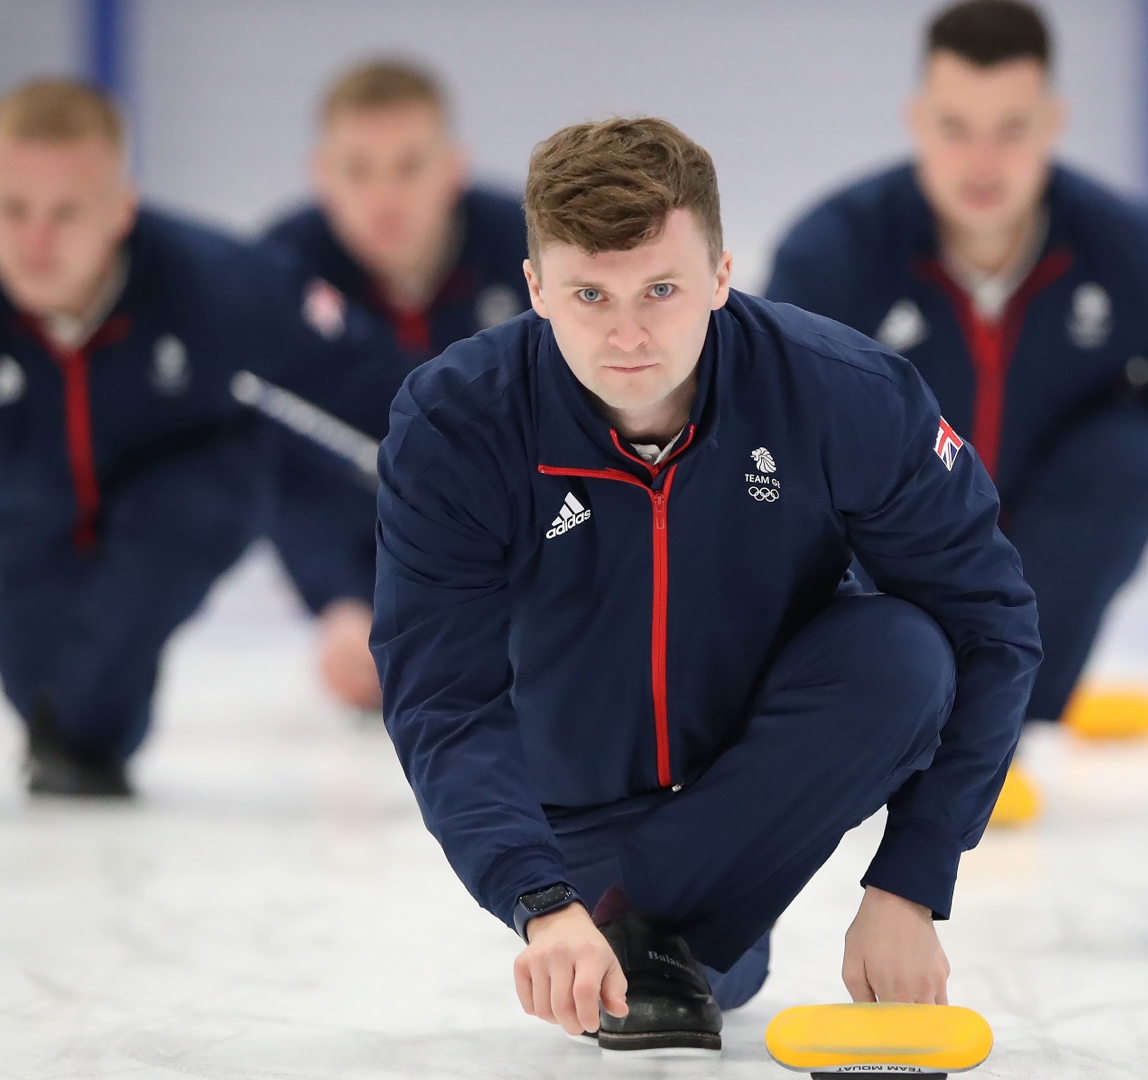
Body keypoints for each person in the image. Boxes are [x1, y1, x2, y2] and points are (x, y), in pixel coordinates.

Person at [372, 117, 1040, 1051]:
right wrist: (539, 897)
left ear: (723, 274)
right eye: (588, 295)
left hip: (753, 770)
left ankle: (658, 922)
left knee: (905, 655)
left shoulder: (843, 393)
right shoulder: (457, 425)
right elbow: (443, 694)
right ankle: (650, 924)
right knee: (714, 965)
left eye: (661, 288)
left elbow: (990, 624)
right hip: (571, 816)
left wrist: (911, 881)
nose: (628, 333)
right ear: (535, 289)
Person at [0, 79, 412, 819]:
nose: (35, 242)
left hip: (190, 491)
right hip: (19, 521)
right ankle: (78, 720)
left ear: (120, 210)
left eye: (66, 212)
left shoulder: (214, 281)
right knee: (73, 729)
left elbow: (383, 390)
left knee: (171, 536)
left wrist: (526, 479)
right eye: (12, 211)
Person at [768, 0, 1148, 723]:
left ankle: (1017, 715)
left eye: (1011, 129)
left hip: (1045, 546)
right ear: (918, 120)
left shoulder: (1142, 256)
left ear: (1052, 123)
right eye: (955, 128)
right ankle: (879, 700)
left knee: (1138, 452)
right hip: (888, 548)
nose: (982, 163)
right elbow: (764, 443)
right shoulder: (832, 258)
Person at [259, 58, 527, 710]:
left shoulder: (531, 250)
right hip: (357, 545)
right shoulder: (275, 273)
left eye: (408, 166)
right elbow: (279, 463)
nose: (384, 197)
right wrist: (340, 605)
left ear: (453, 168)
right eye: (358, 169)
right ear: (322, 175)